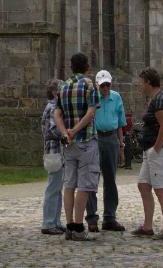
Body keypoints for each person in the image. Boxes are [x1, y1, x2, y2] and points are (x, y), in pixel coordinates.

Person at [54, 52, 100, 242]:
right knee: (84, 185)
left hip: (69, 144)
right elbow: (91, 112)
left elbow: (57, 114)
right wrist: (75, 130)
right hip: (86, 140)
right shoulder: (90, 85)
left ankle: (70, 225)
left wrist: (65, 133)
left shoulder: (63, 86)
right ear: (87, 66)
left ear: (71, 67)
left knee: (69, 184)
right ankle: (79, 227)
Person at [131, 67, 163, 241]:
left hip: (161, 150)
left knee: (161, 190)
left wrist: (156, 148)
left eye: (141, 82)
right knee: (143, 185)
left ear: (148, 82)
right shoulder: (153, 99)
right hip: (151, 150)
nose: (140, 85)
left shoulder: (159, 100)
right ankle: (147, 226)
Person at [85, 69, 127, 232]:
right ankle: (92, 218)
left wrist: (121, 146)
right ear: (97, 85)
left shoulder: (116, 97)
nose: (105, 88)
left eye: (108, 85)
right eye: (102, 85)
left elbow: (120, 124)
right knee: (92, 179)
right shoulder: (92, 97)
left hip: (111, 139)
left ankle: (110, 217)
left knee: (110, 179)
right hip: (95, 138)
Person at [40, 78, 65, 235]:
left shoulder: (54, 107)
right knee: (53, 187)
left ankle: (55, 221)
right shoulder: (52, 108)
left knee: (57, 188)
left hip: (57, 151)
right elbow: (51, 131)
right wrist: (65, 132)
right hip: (54, 151)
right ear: (56, 92)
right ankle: (49, 222)